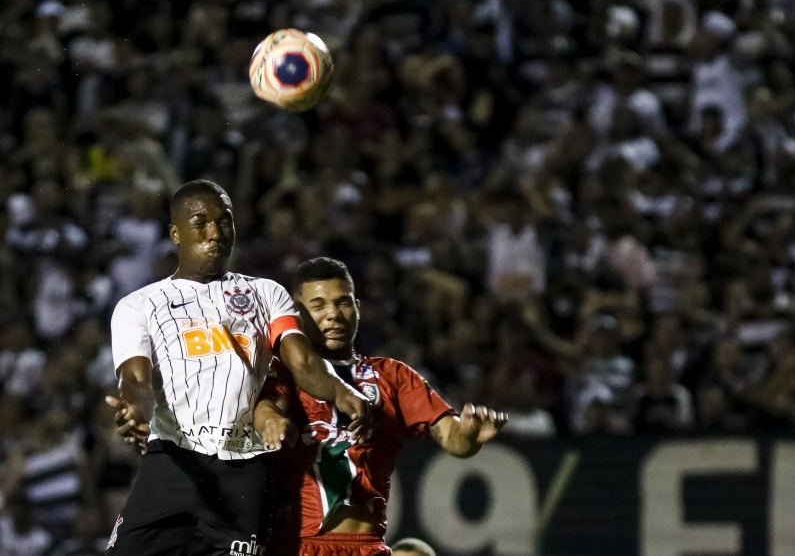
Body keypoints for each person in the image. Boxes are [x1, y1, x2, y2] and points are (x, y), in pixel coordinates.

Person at [104, 180, 370, 556]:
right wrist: (135, 411)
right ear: (175, 233)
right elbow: (135, 379)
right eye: (200, 223)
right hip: (174, 461)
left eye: (223, 221)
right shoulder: (139, 305)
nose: (214, 233)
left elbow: (302, 360)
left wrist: (341, 390)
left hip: (244, 468)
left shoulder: (266, 294)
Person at [254, 257, 508, 556]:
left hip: (366, 546)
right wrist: (270, 421)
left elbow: (453, 438)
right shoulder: (284, 372)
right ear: (296, 315)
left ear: (357, 308)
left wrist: (469, 434)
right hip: (296, 546)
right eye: (318, 305)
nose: (333, 314)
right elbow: (268, 408)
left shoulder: (393, 376)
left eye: (343, 303)